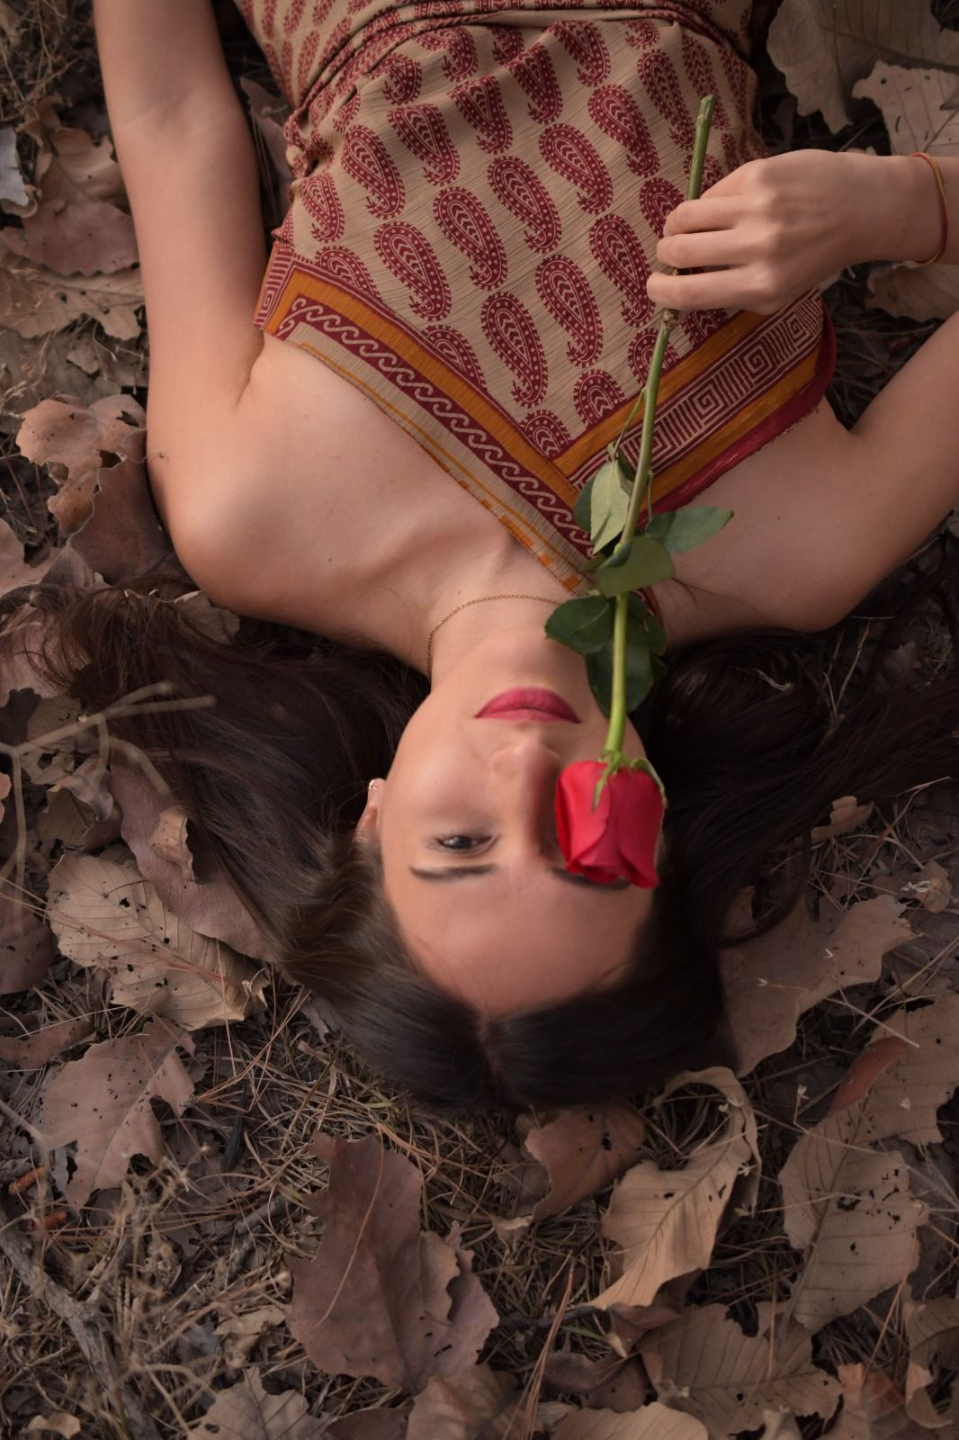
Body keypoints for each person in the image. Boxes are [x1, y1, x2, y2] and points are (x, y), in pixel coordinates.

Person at [27, 0, 959, 1105]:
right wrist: (908, 206)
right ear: (659, 843)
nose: (524, 773)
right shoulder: (805, 545)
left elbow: (173, 116)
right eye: (584, 855)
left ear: (372, 822)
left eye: (463, 843)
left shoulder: (246, 517)